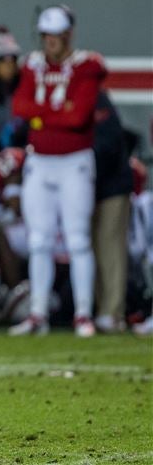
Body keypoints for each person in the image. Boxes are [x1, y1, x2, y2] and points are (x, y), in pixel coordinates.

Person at [9, 6, 107, 337]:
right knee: (39, 241)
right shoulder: (32, 65)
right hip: (40, 160)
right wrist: (54, 112)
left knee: (78, 240)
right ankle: (38, 313)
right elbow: (20, 108)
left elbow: (78, 116)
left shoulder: (88, 64)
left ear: (69, 34)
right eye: (46, 36)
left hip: (74, 161)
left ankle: (83, 313)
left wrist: (43, 115)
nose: (50, 42)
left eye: (56, 35)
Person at [91, 91, 132, 334]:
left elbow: (110, 140)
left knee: (110, 246)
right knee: (91, 248)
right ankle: (100, 309)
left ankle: (113, 312)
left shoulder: (97, 98)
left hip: (111, 185)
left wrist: (83, 165)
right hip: (88, 186)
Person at [0, 26, 26, 155]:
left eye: (12, 60)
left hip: (23, 151)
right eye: (3, 61)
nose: (9, 66)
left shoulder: (25, 86)